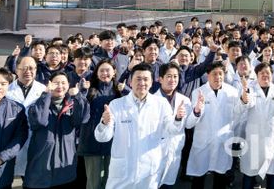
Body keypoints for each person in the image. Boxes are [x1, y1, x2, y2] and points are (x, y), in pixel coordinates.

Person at [94, 63, 188, 189]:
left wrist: (177, 119)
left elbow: (171, 130)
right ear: (130, 82)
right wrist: (104, 123)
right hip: (123, 171)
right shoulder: (116, 105)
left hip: (149, 170)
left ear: (151, 83)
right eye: (138, 79)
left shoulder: (161, 104)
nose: (142, 83)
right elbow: (103, 137)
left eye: (146, 79)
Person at [187, 61, 249, 189]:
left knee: (220, 177)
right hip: (203, 142)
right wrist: (197, 110)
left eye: (220, 74)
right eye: (214, 74)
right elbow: (190, 123)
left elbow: (238, 112)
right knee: (199, 177)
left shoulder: (232, 91)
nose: (218, 77)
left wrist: (243, 100)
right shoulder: (198, 92)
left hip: (223, 141)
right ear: (207, 75)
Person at [24, 71, 90, 189]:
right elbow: (40, 121)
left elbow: (82, 119)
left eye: (63, 83)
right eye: (56, 83)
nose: (60, 86)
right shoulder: (39, 103)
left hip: (65, 168)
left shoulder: (72, 104)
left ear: (68, 85)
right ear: (49, 84)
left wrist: (78, 96)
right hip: (41, 167)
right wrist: (46, 95)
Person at [78, 59, 122, 189]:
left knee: (111, 182)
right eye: (101, 70)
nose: (104, 73)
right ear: (96, 74)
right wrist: (82, 92)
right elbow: (80, 114)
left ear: (114, 72)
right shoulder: (90, 91)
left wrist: (125, 90)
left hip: (113, 144)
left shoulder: (119, 92)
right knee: (94, 183)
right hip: (91, 143)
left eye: (108, 70)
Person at [240, 63, 274, 189]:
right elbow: (247, 103)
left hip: (272, 138)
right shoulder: (251, 89)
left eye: (267, 73)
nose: (265, 75)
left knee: (272, 173)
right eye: (261, 73)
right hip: (255, 138)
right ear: (257, 75)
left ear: (272, 75)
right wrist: (245, 96)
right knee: (250, 173)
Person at [154, 62, 195, 189]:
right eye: (169, 76)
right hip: (155, 150)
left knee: (168, 184)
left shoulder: (184, 100)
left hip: (175, 149)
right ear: (160, 79)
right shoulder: (152, 101)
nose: (173, 80)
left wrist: (197, 112)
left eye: (175, 76)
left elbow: (189, 124)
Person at [5, 56, 47, 179]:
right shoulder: (7, 90)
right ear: (16, 70)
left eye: (31, 68)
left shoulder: (44, 90)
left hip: (36, 139)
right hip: (12, 140)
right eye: (23, 68)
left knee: (33, 178)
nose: (28, 71)